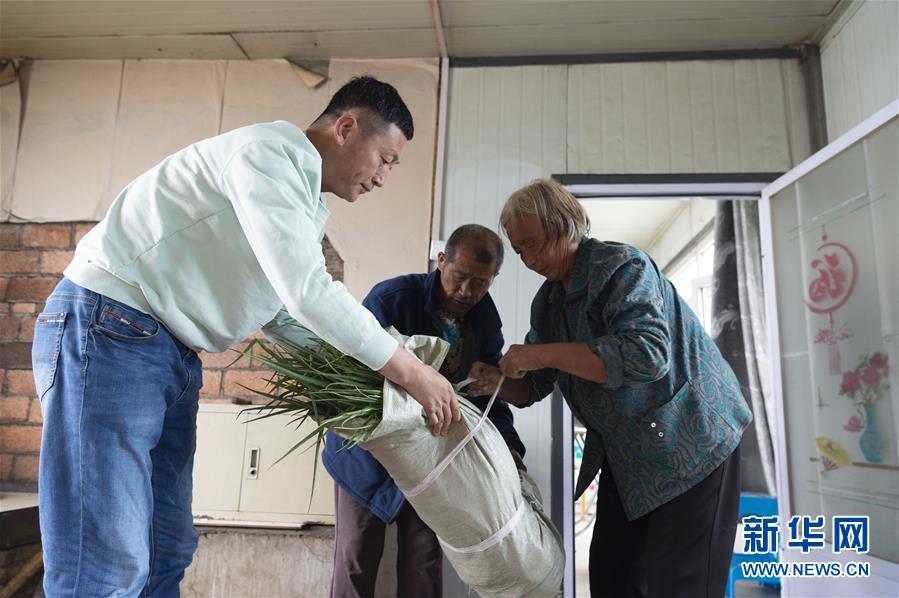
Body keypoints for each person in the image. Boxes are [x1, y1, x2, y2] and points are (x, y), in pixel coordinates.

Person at [31, 76, 460, 597]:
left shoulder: (299, 202)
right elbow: (307, 290)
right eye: (386, 158)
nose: (384, 177)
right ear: (347, 127)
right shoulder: (269, 155)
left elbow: (281, 313)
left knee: (167, 547)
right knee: (104, 561)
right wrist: (411, 373)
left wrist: (364, 379)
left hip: (167, 352)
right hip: (112, 332)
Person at [467, 178, 752, 598]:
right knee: (611, 576)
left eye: (534, 244)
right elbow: (535, 386)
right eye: (520, 249)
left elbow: (645, 355)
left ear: (564, 225)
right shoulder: (548, 303)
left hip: (691, 443)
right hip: (630, 456)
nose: (528, 259)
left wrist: (540, 354)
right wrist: (497, 382)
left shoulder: (622, 267)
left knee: (680, 584)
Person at [323, 224, 527, 598]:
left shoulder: (485, 321)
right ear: (442, 260)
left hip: (432, 460)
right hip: (367, 451)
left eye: (481, 283)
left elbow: (489, 401)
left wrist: (512, 451)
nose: (467, 291)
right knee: (356, 557)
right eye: (460, 277)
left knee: (423, 558)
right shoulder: (393, 298)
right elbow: (353, 375)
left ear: (493, 279)